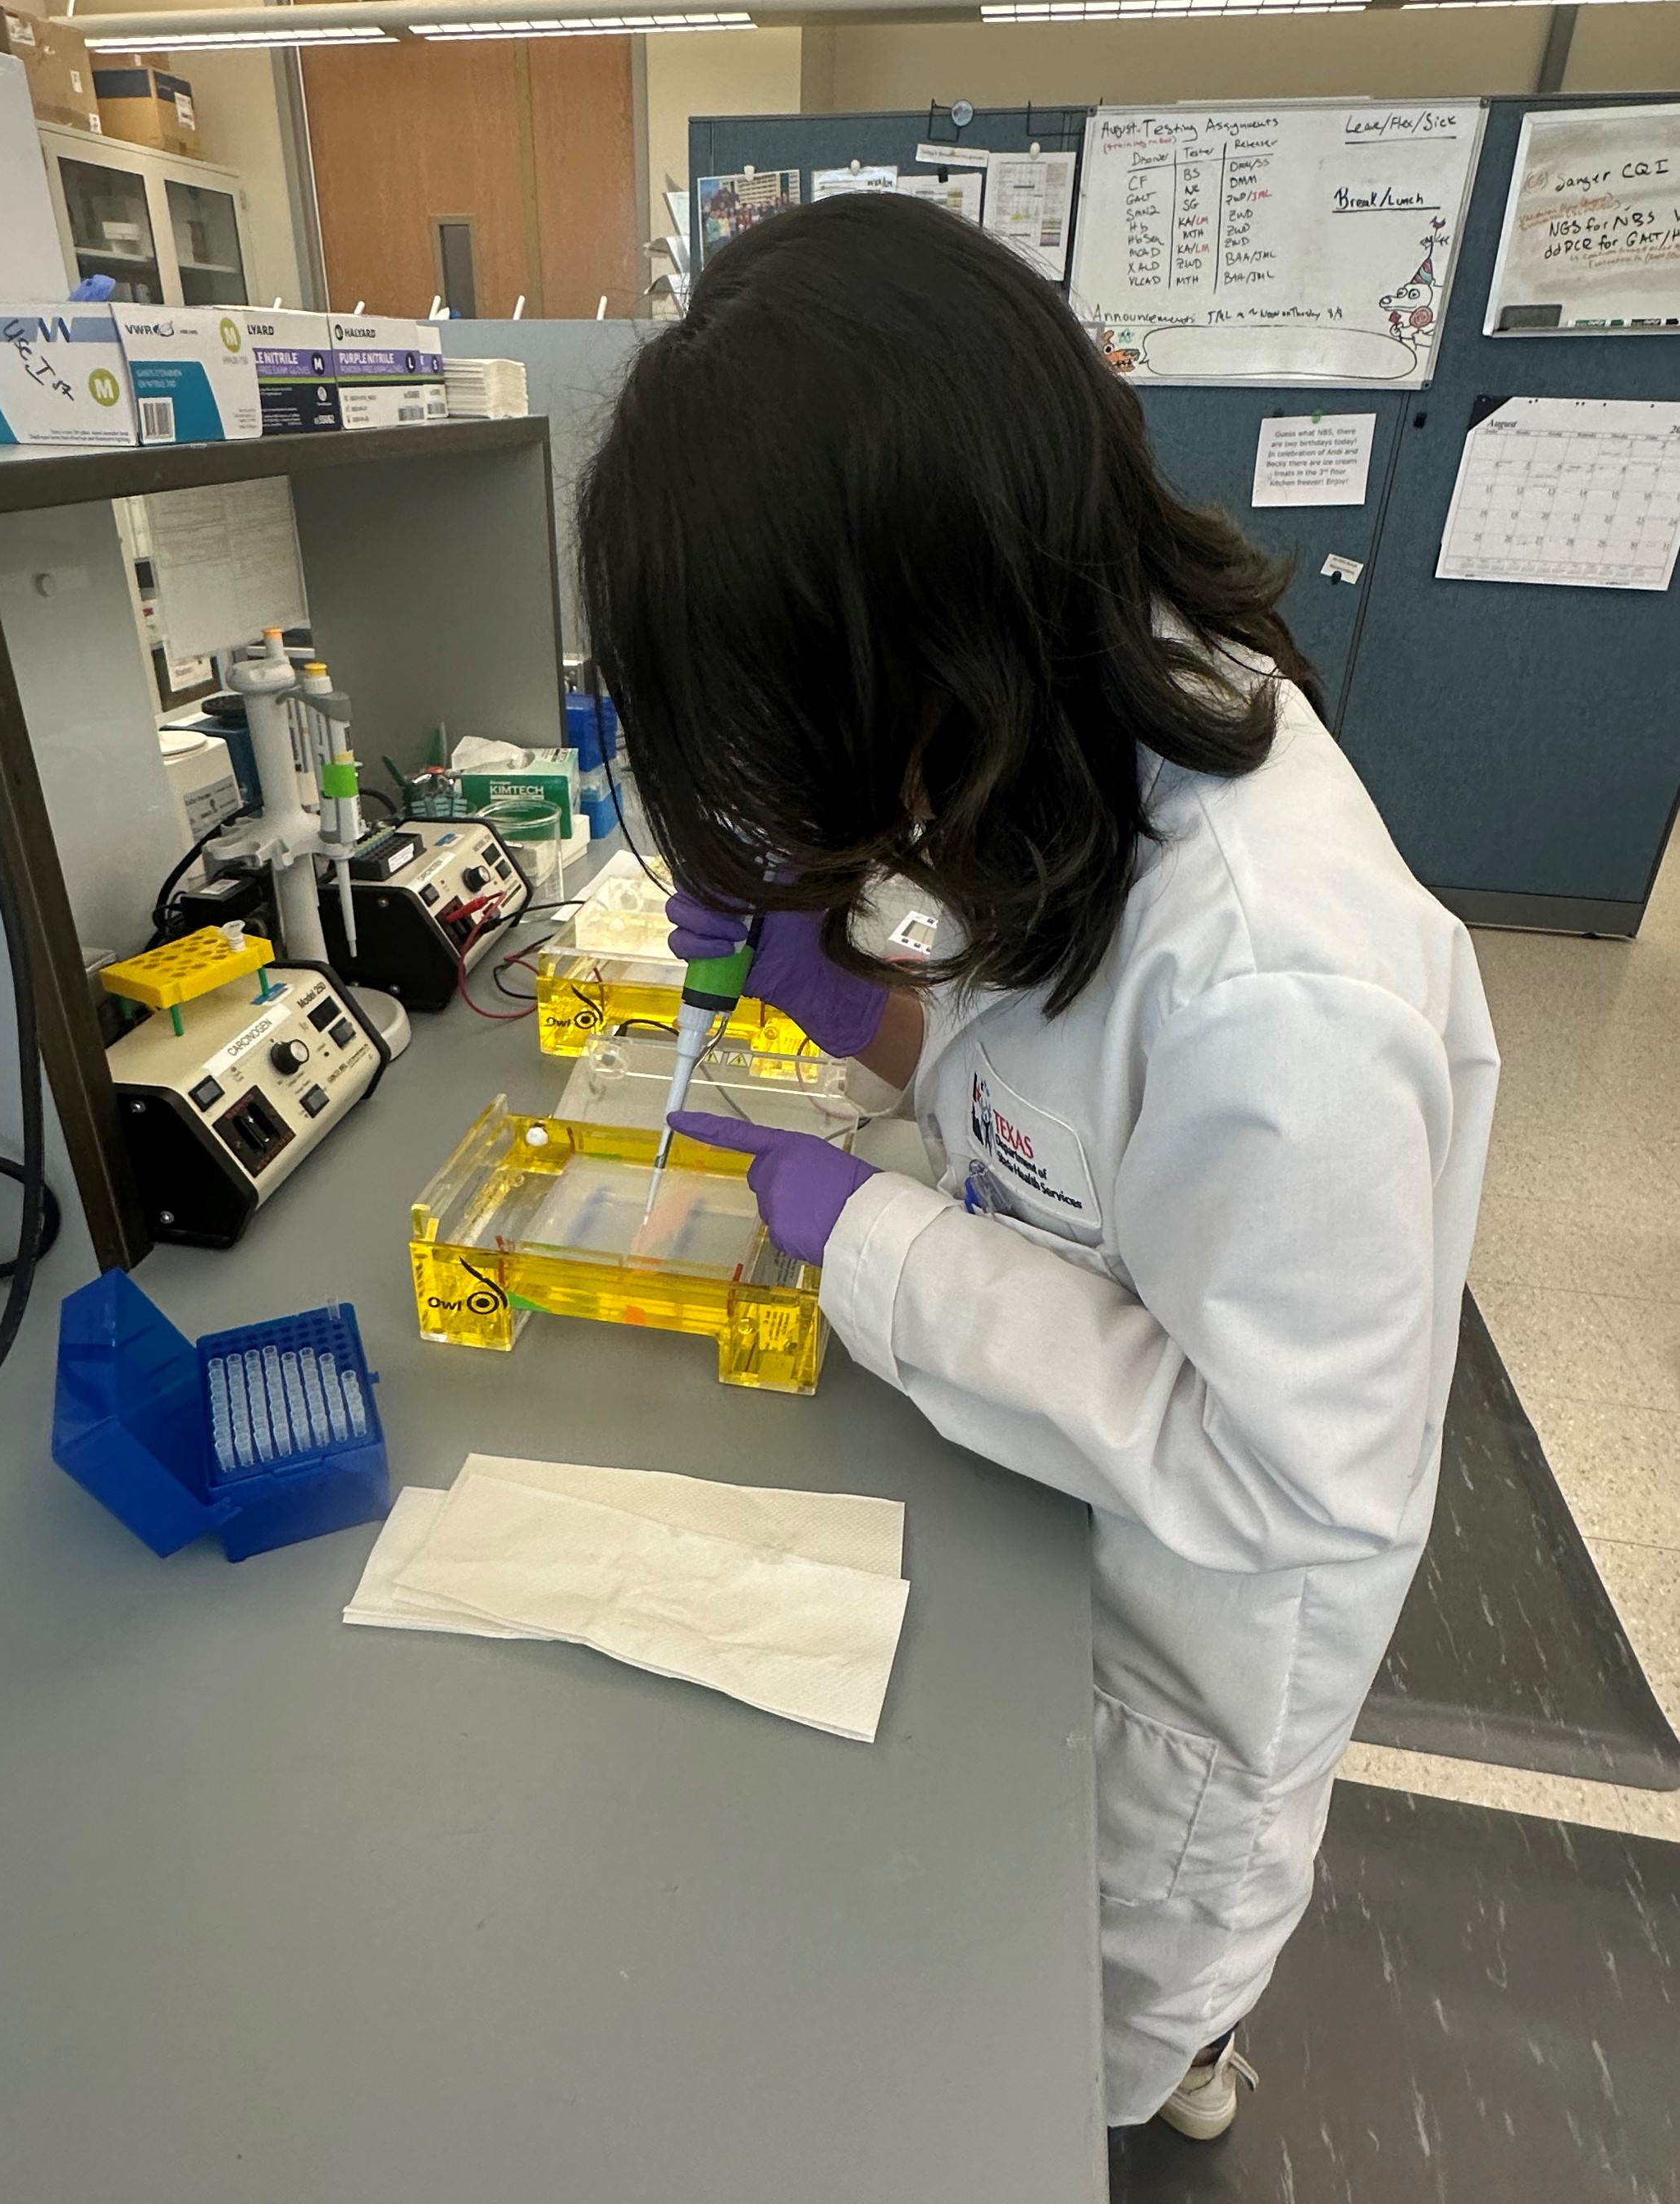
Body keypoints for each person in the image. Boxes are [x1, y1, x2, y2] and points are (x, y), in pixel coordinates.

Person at [577, 193, 1498, 2138]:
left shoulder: (1284, 985)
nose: (838, 812)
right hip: (1061, 1539)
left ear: (933, 645)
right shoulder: (1077, 737)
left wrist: (884, 1250)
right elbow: (1076, 1125)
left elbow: (1287, 1480)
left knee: (1080, 2034)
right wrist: (868, 1012)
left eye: (821, 746)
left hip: (1197, 1651)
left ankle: (1175, 2057)